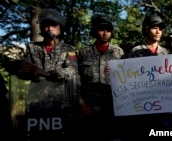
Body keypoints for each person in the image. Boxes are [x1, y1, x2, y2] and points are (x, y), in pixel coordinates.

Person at [17, 8, 79, 140]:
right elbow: (23, 70)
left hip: (60, 104)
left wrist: (44, 73)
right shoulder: (32, 48)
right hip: (36, 104)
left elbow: (71, 71)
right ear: (41, 28)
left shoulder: (69, 50)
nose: (50, 28)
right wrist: (24, 70)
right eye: (46, 25)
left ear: (60, 28)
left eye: (54, 25)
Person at [77, 15, 124, 140]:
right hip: (88, 109)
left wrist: (118, 71)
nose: (105, 33)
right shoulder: (83, 52)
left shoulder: (119, 53)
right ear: (94, 30)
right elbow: (76, 80)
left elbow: (127, 79)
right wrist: (81, 104)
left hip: (113, 109)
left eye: (108, 30)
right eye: (101, 29)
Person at [126, 14, 168, 138]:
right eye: (154, 28)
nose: (158, 31)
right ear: (146, 29)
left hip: (164, 106)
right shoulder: (135, 51)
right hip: (142, 108)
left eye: (160, 29)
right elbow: (128, 79)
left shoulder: (167, 53)